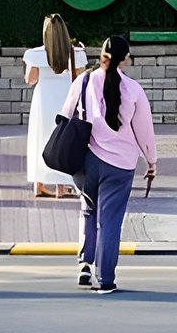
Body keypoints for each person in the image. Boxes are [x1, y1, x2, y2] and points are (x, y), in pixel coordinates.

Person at [63, 35, 157, 294]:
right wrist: (151, 161)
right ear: (125, 59)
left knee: (88, 210)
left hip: (86, 160)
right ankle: (105, 279)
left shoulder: (83, 81)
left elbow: (64, 114)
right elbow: (144, 132)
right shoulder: (134, 90)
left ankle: (84, 263)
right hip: (120, 165)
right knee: (110, 221)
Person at [25, 13, 87, 197]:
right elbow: (82, 78)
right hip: (66, 95)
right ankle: (62, 185)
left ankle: (40, 183)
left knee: (41, 138)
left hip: (43, 97)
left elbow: (30, 79)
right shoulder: (76, 54)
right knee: (63, 138)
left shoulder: (35, 54)